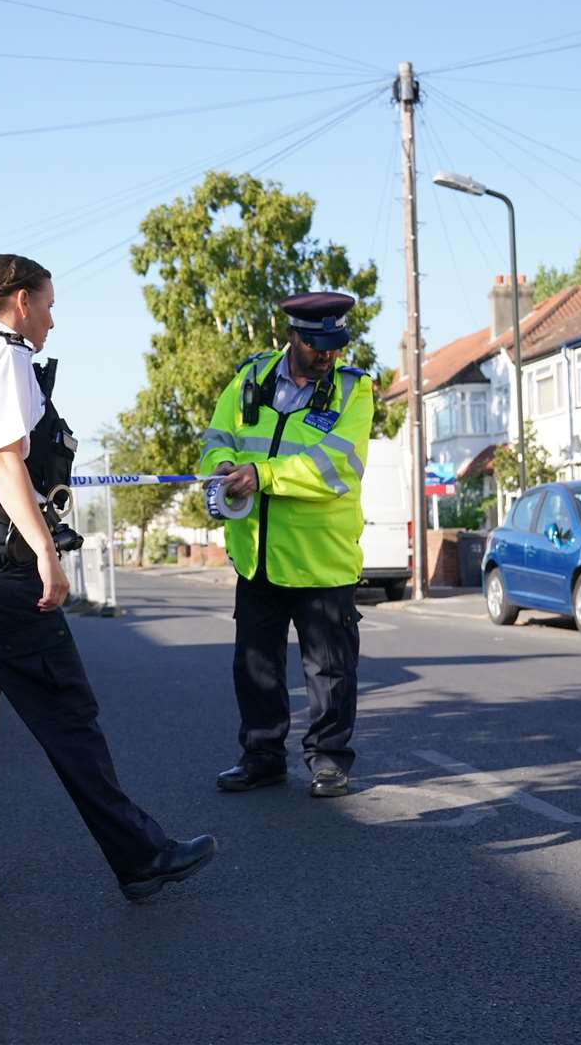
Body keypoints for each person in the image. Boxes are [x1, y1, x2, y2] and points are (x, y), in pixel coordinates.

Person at [0, 253, 217, 908]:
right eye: (45, 303)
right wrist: (44, 550)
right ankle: (141, 856)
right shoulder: (3, 356)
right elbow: (3, 460)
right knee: (66, 712)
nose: (50, 317)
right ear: (18, 300)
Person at [198, 292, 372, 798]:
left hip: (322, 561)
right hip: (257, 556)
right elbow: (216, 436)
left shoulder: (352, 391)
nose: (328, 356)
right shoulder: (249, 378)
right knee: (255, 666)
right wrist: (226, 467)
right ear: (291, 337)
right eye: (318, 346)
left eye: (335, 346)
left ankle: (330, 761)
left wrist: (264, 474)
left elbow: (336, 465)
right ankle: (261, 757)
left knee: (330, 671)